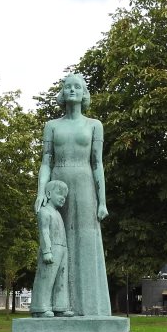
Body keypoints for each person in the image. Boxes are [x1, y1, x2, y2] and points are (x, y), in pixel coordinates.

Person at [33, 73, 112, 317]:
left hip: (85, 184)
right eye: (68, 87)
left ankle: (89, 307)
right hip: (57, 184)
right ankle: (53, 305)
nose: (72, 90)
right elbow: (46, 161)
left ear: (84, 92)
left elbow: (97, 163)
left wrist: (102, 201)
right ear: (62, 92)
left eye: (77, 87)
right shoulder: (52, 126)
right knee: (55, 242)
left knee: (86, 242)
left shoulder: (94, 125)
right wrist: (40, 192)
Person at [30, 180, 73, 318]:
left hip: (62, 249)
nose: (63, 198)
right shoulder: (44, 212)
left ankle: (60, 306)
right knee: (46, 279)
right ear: (48, 194)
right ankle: (40, 308)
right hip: (51, 249)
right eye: (59, 194)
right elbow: (44, 232)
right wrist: (47, 251)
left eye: (65, 196)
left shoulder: (58, 213)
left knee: (61, 278)